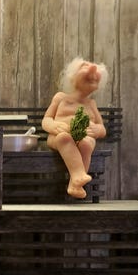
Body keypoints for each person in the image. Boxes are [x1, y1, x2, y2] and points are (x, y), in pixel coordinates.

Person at [42, 57, 108, 199]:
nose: (92, 70)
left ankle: (75, 184)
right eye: (84, 67)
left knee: (87, 143)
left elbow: (102, 128)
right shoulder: (61, 98)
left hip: (84, 137)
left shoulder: (91, 104)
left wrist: (97, 130)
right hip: (58, 137)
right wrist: (53, 125)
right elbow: (46, 119)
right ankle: (78, 175)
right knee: (64, 138)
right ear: (72, 77)